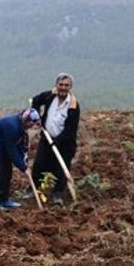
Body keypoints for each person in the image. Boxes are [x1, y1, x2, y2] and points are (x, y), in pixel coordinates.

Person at [31, 73, 80, 204]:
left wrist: (56, 142)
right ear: (56, 85)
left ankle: (58, 194)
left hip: (64, 143)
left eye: (66, 85)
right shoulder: (49, 96)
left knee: (61, 168)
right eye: (61, 85)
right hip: (47, 138)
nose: (63, 88)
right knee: (39, 164)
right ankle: (35, 190)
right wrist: (36, 116)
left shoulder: (73, 106)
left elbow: (70, 130)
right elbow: (35, 100)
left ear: (70, 87)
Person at [0, 108, 41, 211]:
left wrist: (24, 164)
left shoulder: (21, 126)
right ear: (26, 119)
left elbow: (20, 147)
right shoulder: (12, 126)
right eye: (30, 123)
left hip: (2, 147)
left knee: (6, 172)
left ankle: (4, 200)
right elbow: (11, 150)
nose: (31, 126)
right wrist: (23, 167)